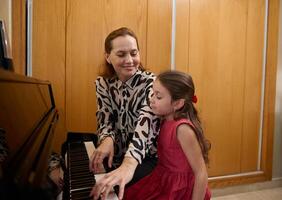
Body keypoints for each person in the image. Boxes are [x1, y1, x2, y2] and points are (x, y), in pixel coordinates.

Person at [89, 27, 160, 200]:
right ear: (108, 57)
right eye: (121, 55)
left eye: (134, 53)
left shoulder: (152, 83)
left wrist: (128, 165)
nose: (129, 60)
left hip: (144, 157)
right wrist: (107, 139)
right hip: (118, 154)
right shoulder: (103, 84)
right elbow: (105, 119)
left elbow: (147, 123)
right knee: (92, 178)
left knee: (110, 189)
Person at [124, 70, 211, 200]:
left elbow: (201, 172)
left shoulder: (183, 129)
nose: (151, 99)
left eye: (158, 97)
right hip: (163, 178)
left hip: (180, 189)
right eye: (153, 94)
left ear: (177, 103)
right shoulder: (165, 119)